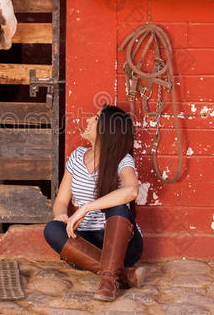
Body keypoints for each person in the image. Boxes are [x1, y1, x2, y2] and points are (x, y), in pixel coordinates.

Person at [44, 104, 145, 301]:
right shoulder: (76, 157)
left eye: (96, 119)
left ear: (108, 130)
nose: (89, 121)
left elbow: (131, 190)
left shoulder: (122, 160)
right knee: (51, 229)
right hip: (84, 243)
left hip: (122, 244)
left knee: (116, 205)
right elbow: (62, 200)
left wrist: (87, 207)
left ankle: (107, 282)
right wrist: (61, 215)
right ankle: (122, 275)